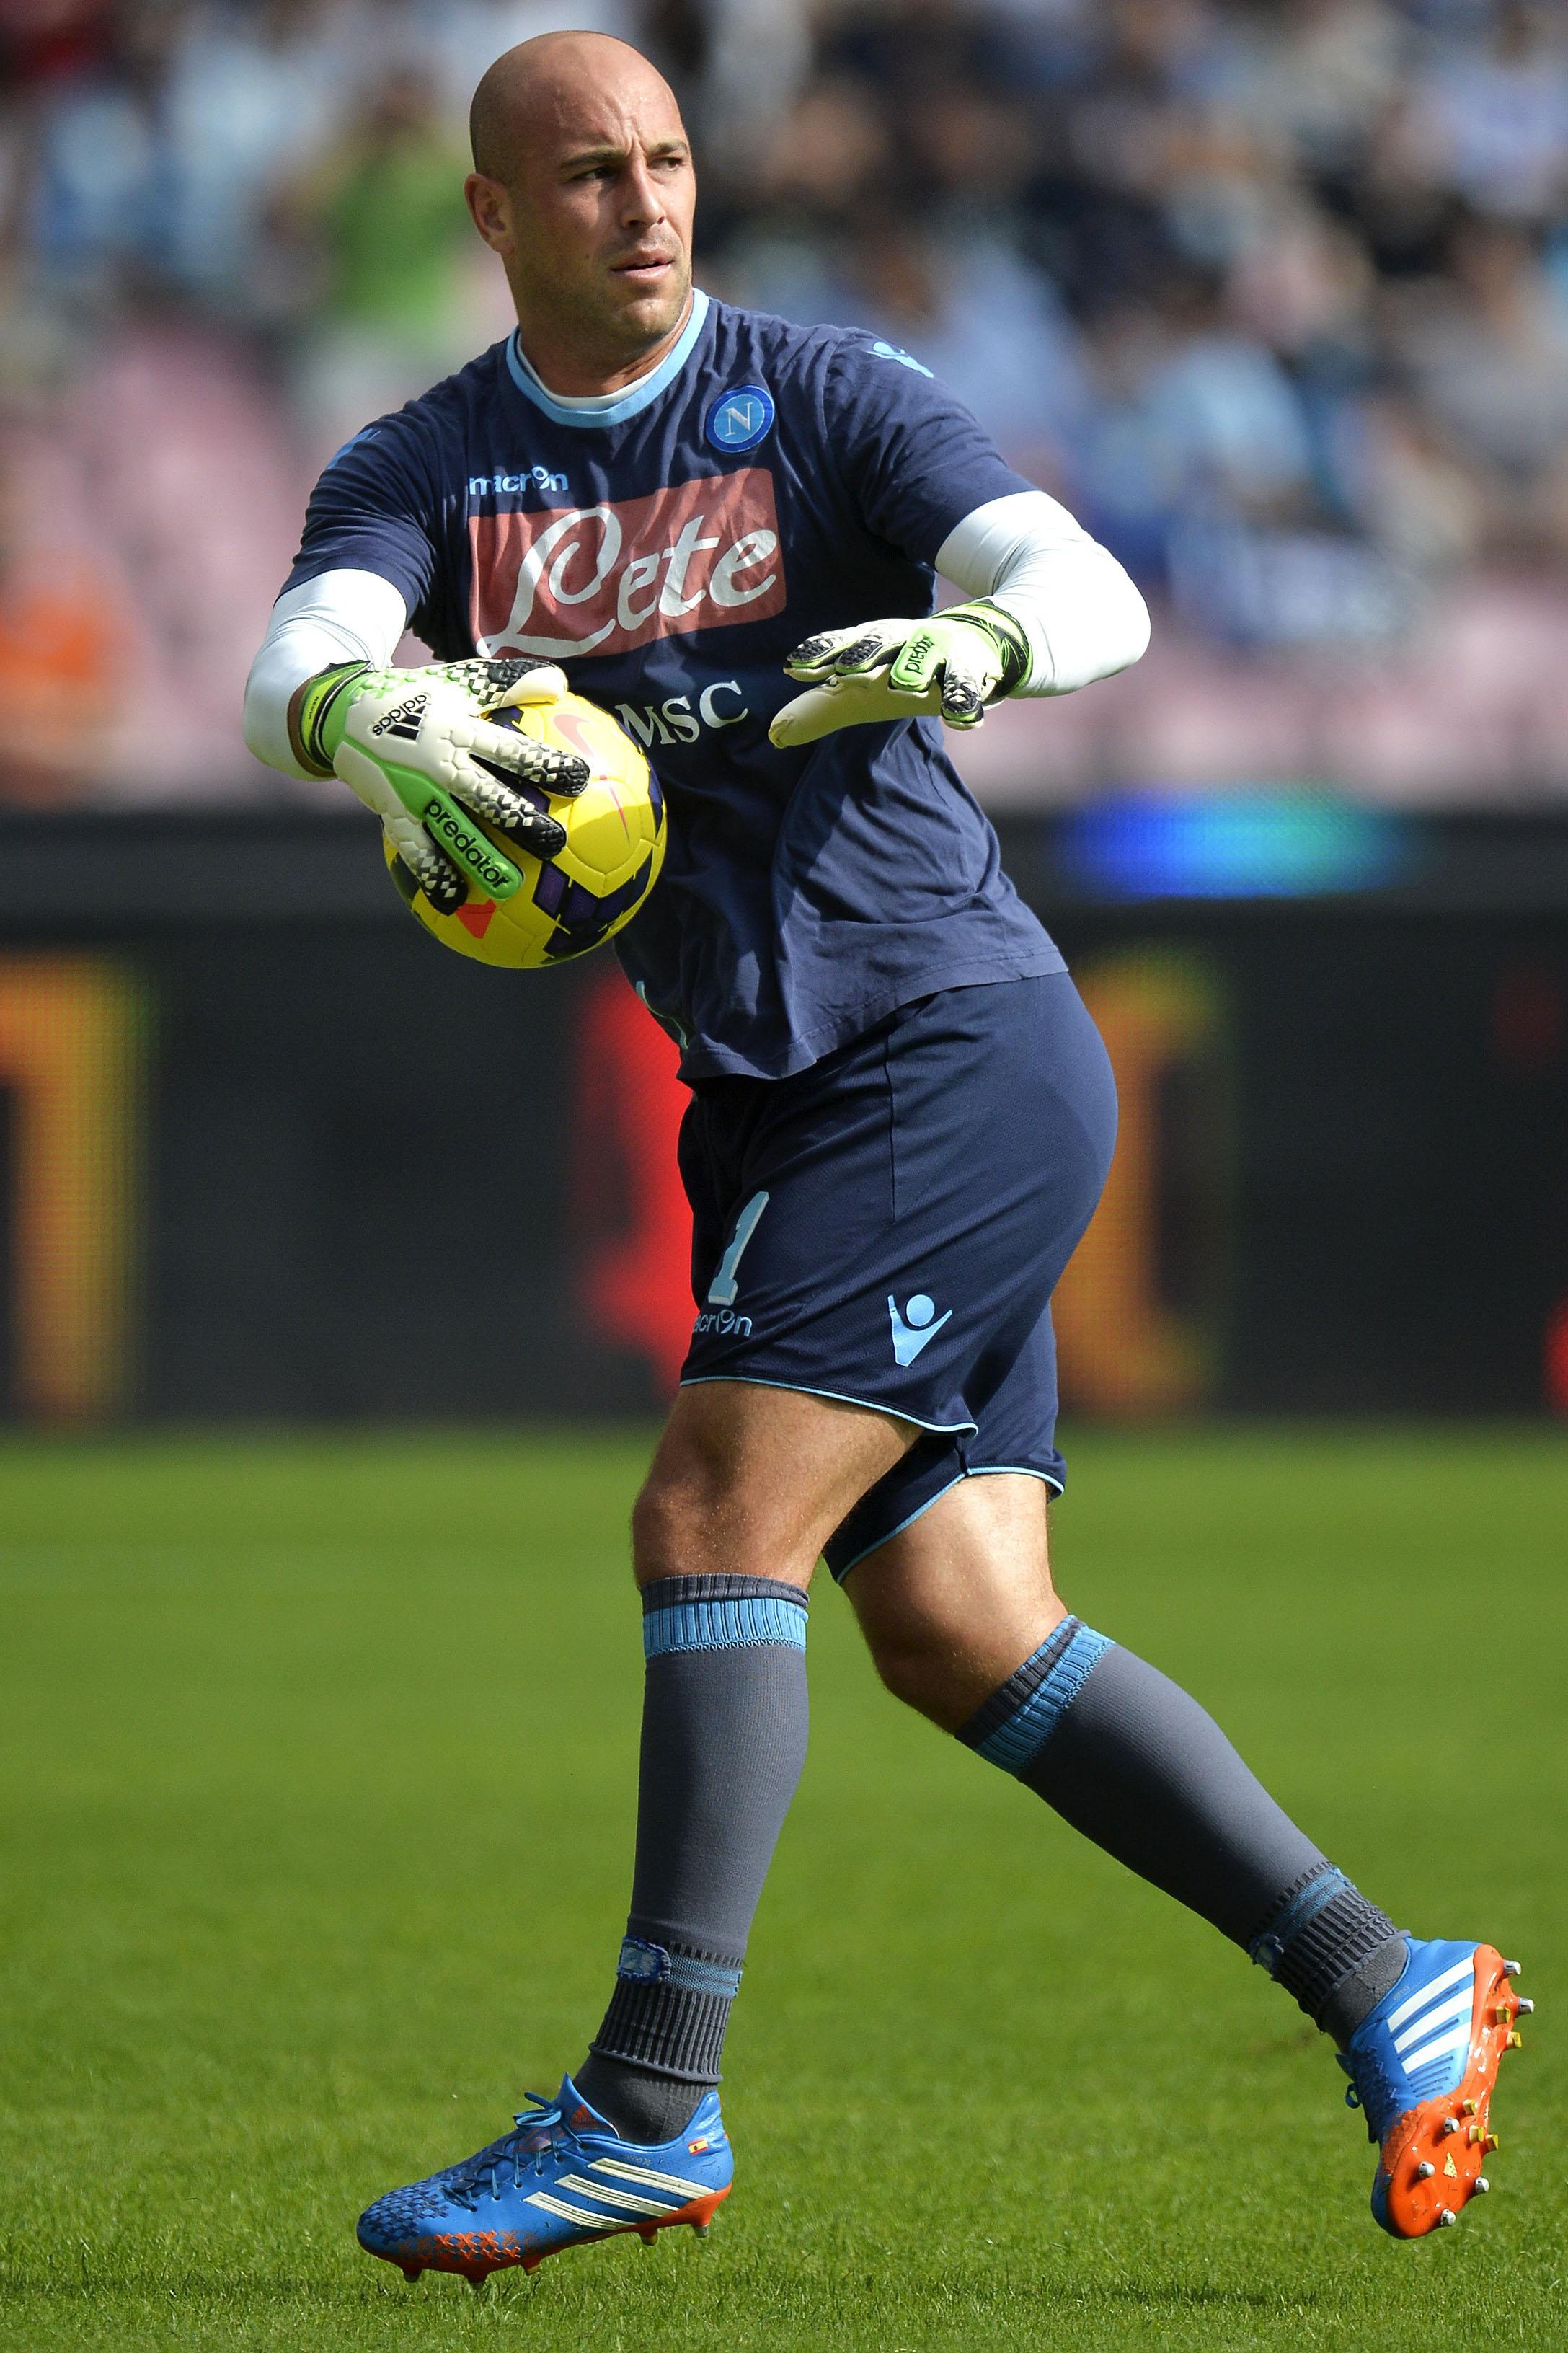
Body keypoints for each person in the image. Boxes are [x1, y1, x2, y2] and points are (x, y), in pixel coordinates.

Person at [242, 30, 1525, 2286]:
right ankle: (1383, 1976)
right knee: (957, 1625)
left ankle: (648, 2106)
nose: (647, 201)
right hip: (773, 1087)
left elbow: (1091, 588)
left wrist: (979, 638)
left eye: (668, 159)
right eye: (590, 172)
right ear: (494, 216)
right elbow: (294, 662)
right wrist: (365, 713)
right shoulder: (430, 466)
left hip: (941, 1041)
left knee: (706, 1517)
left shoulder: (821, 395)